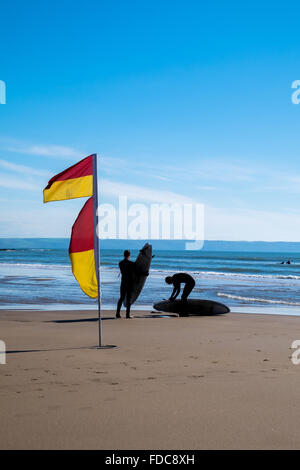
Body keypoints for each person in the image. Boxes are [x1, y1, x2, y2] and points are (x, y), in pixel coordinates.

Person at [116, 250, 135, 319]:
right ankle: (127, 315)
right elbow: (137, 270)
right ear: (129, 255)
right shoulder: (131, 263)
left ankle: (117, 313)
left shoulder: (120, 263)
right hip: (129, 283)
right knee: (129, 298)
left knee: (121, 298)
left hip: (123, 282)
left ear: (124, 255)